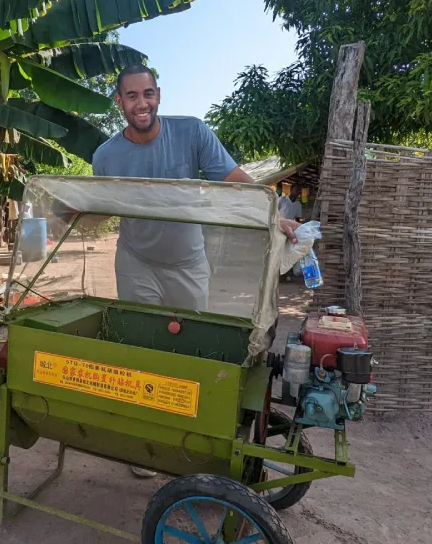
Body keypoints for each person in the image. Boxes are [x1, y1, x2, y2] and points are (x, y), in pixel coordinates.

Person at [91, 63, 298, 478]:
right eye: (131, 96)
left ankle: (190, 436)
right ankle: (146, 443)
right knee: (141, 346)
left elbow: (235, 178)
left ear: (158, 95)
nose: (141, 103)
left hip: (188, 261)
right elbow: (101, 208)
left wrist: (273, 214)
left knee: (193, 348)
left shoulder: (192, 132)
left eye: (147, 93)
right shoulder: (105, 155)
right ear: (119, 102)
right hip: (136, 261)